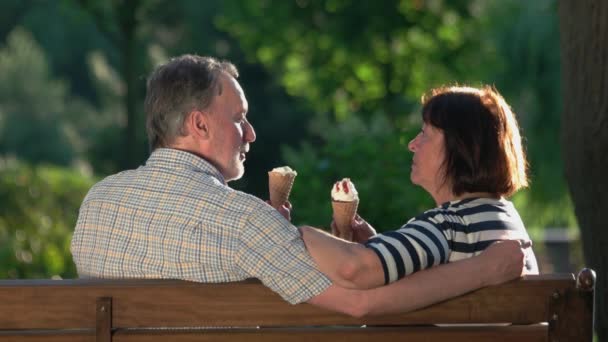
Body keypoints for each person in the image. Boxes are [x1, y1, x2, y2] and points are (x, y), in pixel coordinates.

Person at [71, 55, 528, 317]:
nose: (250, 133)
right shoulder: (245, 222)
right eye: (238, 119)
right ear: (198, 124)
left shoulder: (96, 203)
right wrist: (299, 233)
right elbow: (358, 301)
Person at [300, 85, 539, 289]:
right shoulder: (505, 218)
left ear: (460, 147)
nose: (412, 144)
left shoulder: (448, 225)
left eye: (425, 133)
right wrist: (377, 243)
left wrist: (292, 236)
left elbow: (355, 268)